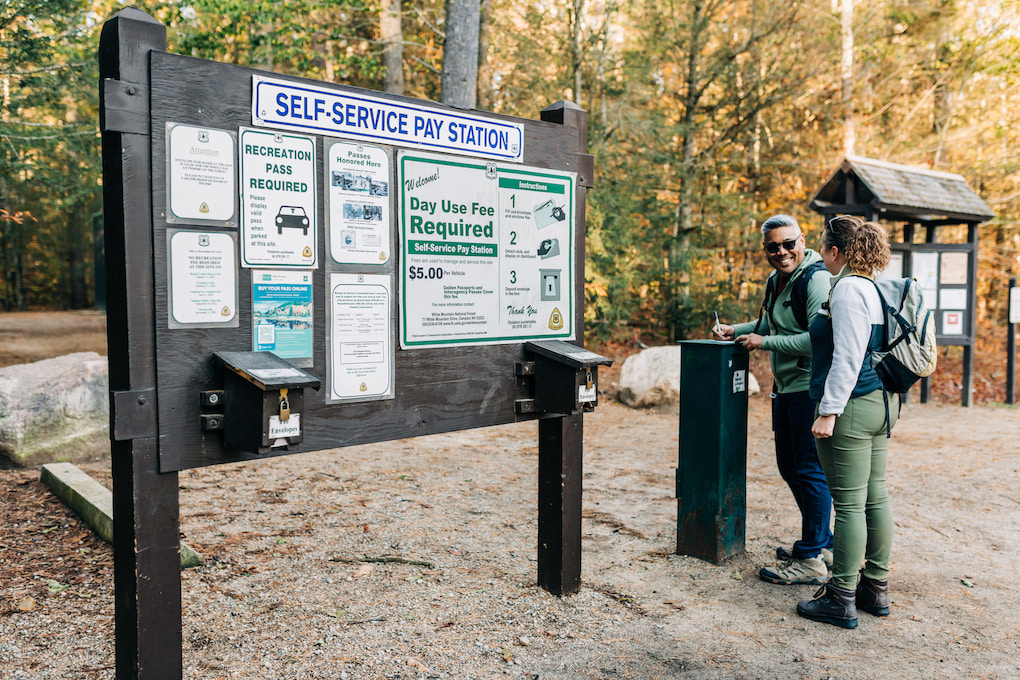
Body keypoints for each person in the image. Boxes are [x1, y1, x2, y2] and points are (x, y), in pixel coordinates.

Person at [713, 214, 834, 585]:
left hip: (808, 388)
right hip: (785, 387)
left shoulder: (815, 279)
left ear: (802, 240)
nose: (781, 252)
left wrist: (764, 343)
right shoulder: (776, 279)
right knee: (790, 468)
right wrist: (736, 329)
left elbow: (816, 339)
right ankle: (824, 543)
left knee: (809, 471)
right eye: (773, 247)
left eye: (788, 244)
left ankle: (811, 558)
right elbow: (769, 324)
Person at [797, 215, 897, 629]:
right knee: (875, 497)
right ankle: (875, 587)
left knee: (851, 504)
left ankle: (840, 597)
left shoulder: (848, 289)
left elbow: (848, 357)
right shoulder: (874, 287)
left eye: (822, 247)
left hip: (852, 406)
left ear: (835, 251)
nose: (821, 255)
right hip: (879, 403)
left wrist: (829, 411)